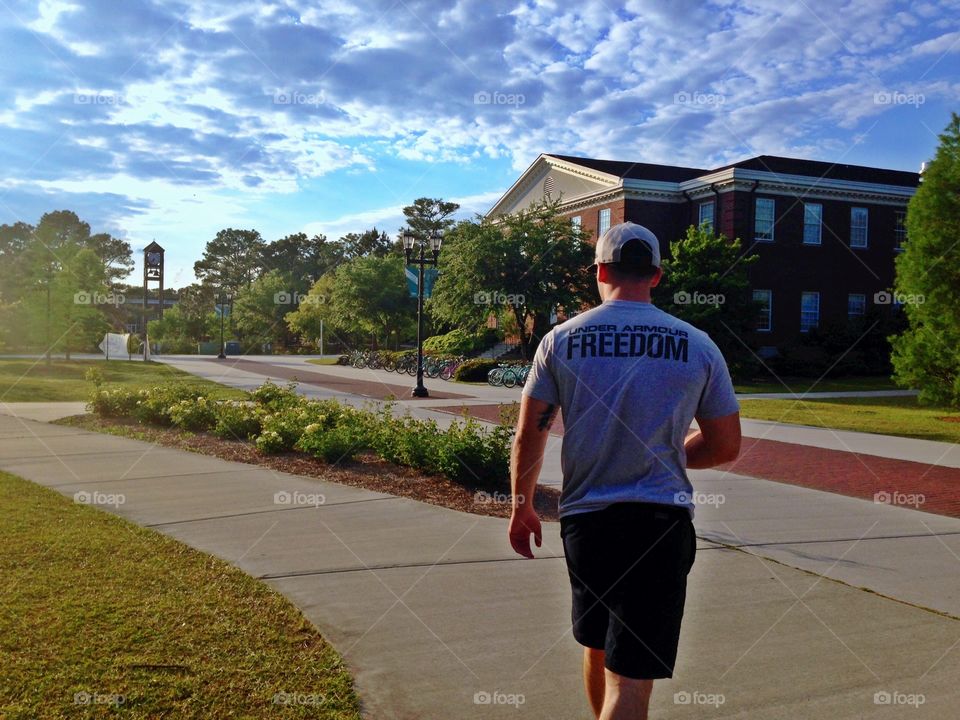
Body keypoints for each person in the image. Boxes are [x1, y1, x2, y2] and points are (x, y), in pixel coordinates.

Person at [508, 221, 741, 720]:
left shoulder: (560, 341)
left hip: (587, 525)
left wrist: (520, 505)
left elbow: (531, 433)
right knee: (630, 681)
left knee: (597, 645)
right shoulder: (697, 345)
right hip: (658, 528)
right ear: (656, 275)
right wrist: (672, 455)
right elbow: (725, 446)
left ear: (599, 271)